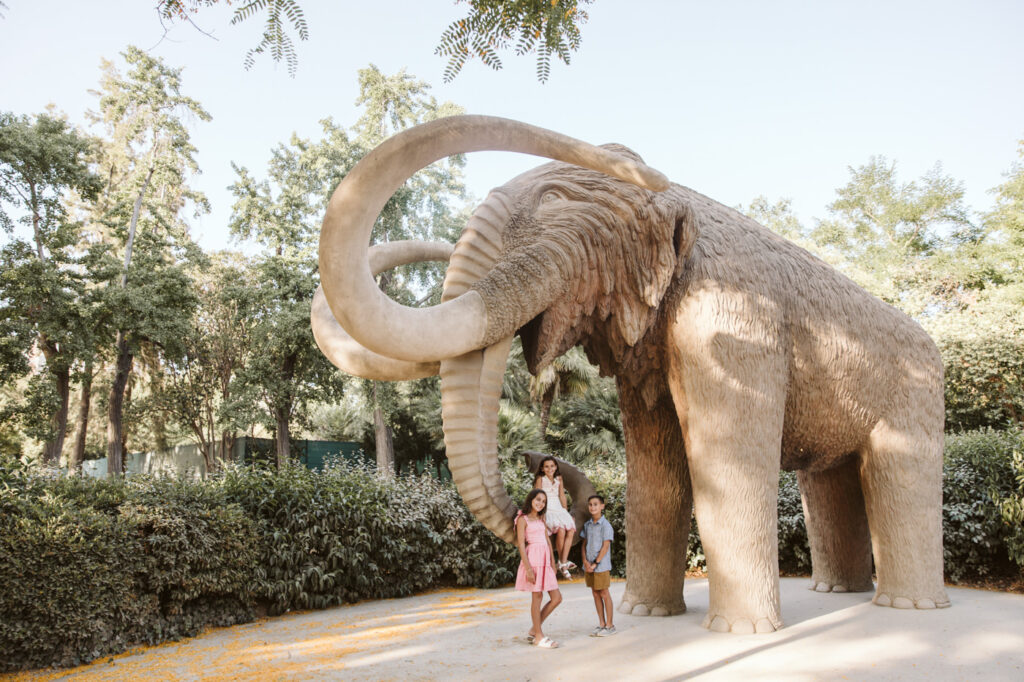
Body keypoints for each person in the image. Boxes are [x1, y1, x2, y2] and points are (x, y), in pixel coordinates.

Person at [515, 488, 563, 648]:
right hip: (533, 559)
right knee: (537, 597)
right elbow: (521, 544)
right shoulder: (522, 519)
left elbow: (548, 541)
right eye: (538, 500)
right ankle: (538, 636)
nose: (540, 503)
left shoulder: (542, 519)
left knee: (557, 598)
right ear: (531, 500)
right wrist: (528, 569)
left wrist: (552, 561)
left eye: (543, 501)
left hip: (545, 561)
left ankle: (534, 630)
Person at [533, 456, 577, 578]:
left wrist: (566, 512)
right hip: (547, 507)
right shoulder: (540, 479)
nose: (550, 468)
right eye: (546, 466)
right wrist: (540, 512)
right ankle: (563, 563)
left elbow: (562, 495)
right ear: (542, 468)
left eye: (552, 466)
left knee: (571, 529)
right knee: (561, 530)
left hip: (558, 507)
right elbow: (537, 496)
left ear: (556, 467)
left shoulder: (559, 478)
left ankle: (563, 561)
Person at [581, 494, 616, 636]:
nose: (592, 507)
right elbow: (584, 545)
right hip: (588, 565)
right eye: (590, 504)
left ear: (602, 506)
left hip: (600, 566)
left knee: (604, 593)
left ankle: (610, 625)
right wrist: (585, 561)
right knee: (595, 593)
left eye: (596, 504)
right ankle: (601, 624)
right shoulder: (587, 525)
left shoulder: (606, 526)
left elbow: (605, 547)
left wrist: (595, 563)